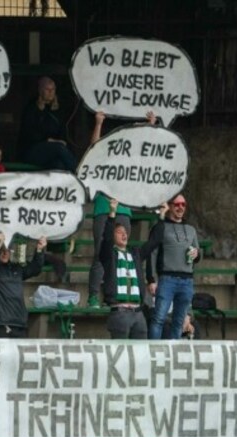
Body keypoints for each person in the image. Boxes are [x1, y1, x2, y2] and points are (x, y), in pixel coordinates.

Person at [86, 111, 134, 307]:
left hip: (124, 210)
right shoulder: (103, 158)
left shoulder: (130, 160)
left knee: (121, 254)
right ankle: (93, 296)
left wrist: (151, 125)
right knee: (101, 253)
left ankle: (115, 295)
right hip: (104, 209)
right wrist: (98, 123)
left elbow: (148, 151)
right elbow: (93, 148)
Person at [0, 233, 47, 338]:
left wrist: (39, 250)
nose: (5, 253)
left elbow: (35, 269)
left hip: (20, 323)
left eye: (7, 250)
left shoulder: (16, 269)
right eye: (2, 250)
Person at [145, 194, 201, 340]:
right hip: (167, 278)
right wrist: (151, 279)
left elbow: (197, 253)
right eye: (177, 204)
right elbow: (152, 253)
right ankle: (153, 352)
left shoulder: (191, 229)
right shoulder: (161, 227)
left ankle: (174, 351)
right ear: (170, 206)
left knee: (179, 321)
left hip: (186, 280)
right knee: (158, 318)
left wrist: (197, 254)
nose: (180, 207)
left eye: (183, 204)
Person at [99, 199, 152, 339]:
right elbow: (106, 240)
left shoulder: (135, 255)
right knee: (119, 355)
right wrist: (112, 213)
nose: (124, 235)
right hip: (119, 312)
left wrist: (163, 216)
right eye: (119, 232)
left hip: (138, 313)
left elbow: (153, 242)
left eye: (125, 232)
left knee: (141, 356)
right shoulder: (109, 256)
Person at [16, 76, 76, 171]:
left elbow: (62, 132)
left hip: (52, 152)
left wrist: (60, 140)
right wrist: (48, 140)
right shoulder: (31, 108)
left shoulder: (58, 109)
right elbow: (29, 133)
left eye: (53, 89)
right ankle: (79, 174)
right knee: (59, 148)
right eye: (47, 89)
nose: (51, 92)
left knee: (59, 165)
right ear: (40, 90)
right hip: (32, 151)